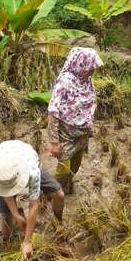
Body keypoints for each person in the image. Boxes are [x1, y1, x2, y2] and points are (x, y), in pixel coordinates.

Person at [0, 139, 64, 260]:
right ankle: (7, 247)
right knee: (6, 221)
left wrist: (27, 241)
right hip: (4, 158)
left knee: (59, 194)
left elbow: (33, 205)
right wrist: (15, 214)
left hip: (24, 158)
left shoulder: (32, 170)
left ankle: (59, 222)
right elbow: (4, 192)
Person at [47, 47, 103, 194]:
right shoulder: (65, 82)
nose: (93, 71)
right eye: (90, 67)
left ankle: (66, 188)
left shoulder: (87, 81)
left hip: (81, 134)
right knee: (63, 170)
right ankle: (49, 194)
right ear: (80, 65)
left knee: (75, 167)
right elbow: (53, 111)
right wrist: (53, 142)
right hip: (65, 136)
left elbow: (89, 105)